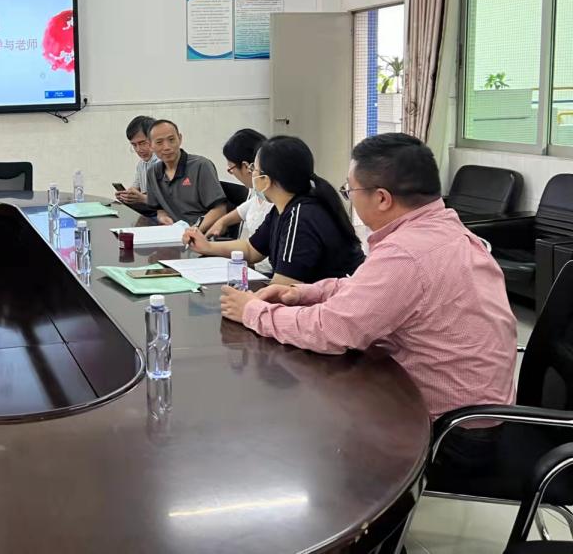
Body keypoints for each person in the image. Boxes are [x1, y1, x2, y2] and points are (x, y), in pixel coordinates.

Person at [219, 133, 517, 430]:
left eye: (350, 190)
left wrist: (252, 311)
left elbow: (330, 330)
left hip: (451, 430)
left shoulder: (405, 254)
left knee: (300, 421)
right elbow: (366, 288)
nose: (348, 197)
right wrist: (303, 293)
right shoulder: (444, 228)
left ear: (382, 198)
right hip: (486, 411)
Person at [184, 135, 364, 285]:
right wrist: (207, 246)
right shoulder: (282, 208)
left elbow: (283, 286)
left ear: (266, 179)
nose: (251, 173)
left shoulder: (301, 216)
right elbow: (251, 249)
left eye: (254, 169)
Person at [204, 128, 274, 274]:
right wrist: (222, 222)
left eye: (231, 168)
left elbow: (256, 251)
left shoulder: (273, 199)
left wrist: (208, 247)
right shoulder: (257, 191)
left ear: (247, 166)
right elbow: (246, 208)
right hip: (251, 266)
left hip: (264, 272)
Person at [145, 119, 227, 230]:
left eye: (171, 139)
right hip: (174, 232)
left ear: (180, 139)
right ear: (150, 146)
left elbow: (220, 210)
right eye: (159, 142)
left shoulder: (201, 166)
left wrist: (194, 230)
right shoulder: (153, 173)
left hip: (203, 233)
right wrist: (163, 217)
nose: (167, 147)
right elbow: (159, 208)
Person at [115, 115, 158, 212]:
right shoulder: (141, 164)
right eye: (134, 145)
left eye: (142, 143)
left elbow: (167, 201)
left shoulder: (164, 163)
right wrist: (126, 196)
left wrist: (142, 198)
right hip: (147, 211)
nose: (138, 149)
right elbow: (135, 188)